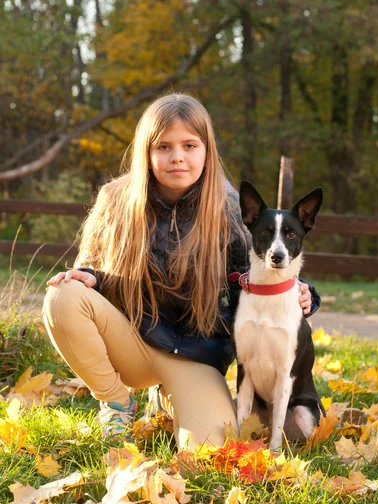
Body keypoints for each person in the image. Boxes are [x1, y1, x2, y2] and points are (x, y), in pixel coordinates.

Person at [43, 93, 320, 450]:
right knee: (62, 296)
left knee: (211, 447)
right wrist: (91, 276)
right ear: (147, 150)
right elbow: (92, 265)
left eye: (190, 144)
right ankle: (115, 403)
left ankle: (172, 396)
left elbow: (251, 285)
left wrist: (300, 292)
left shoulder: (230, 208)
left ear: (207, 149)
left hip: (194, 356)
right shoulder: (114, 199)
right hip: (131, 340)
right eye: (164, 146)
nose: (177, 156)